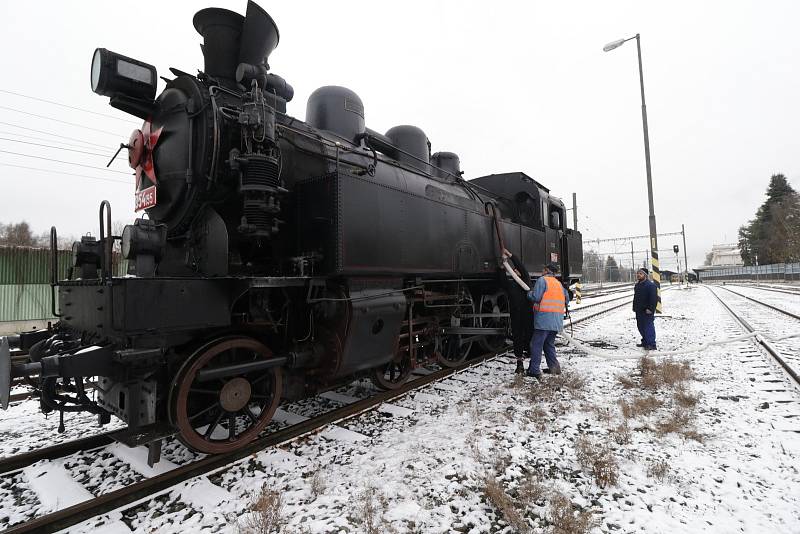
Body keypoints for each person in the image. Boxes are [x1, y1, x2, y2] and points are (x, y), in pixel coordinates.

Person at [526, 262, 571, 379]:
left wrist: (529, 294)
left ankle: (534, 370)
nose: (542, 271)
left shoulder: (542, 280)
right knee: (548, 344)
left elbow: (536, 297)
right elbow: (567, 299)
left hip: (544, 321)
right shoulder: (558, 284)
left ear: (546, 270)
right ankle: (555, 368)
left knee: (536, 344)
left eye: (543, 269)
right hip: (556, 321)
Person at [499, 248, 533, 374]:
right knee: (517, 338)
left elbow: (521, 267)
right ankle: (519, 363)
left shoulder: (526, 280)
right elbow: (503, 280)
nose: (516, 270)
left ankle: (532, 362)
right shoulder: (511, 286)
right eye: (514, 271)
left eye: (516, 270)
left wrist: (511, 256)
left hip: (527, 315)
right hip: (517, 315)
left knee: (529, 336)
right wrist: (502, 266)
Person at [633, 267, 658, 350]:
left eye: (640, 274)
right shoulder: (637, 285)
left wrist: (650, 309)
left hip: (647, 311)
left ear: (645, 275)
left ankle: (651, 344)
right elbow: (636, 297)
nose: (638, 275)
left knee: (648, 327)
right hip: (639, 310)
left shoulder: (651, 286)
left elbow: (654, 299)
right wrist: (634, 307)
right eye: (638, 273)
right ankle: (645, 342)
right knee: (640, 327)